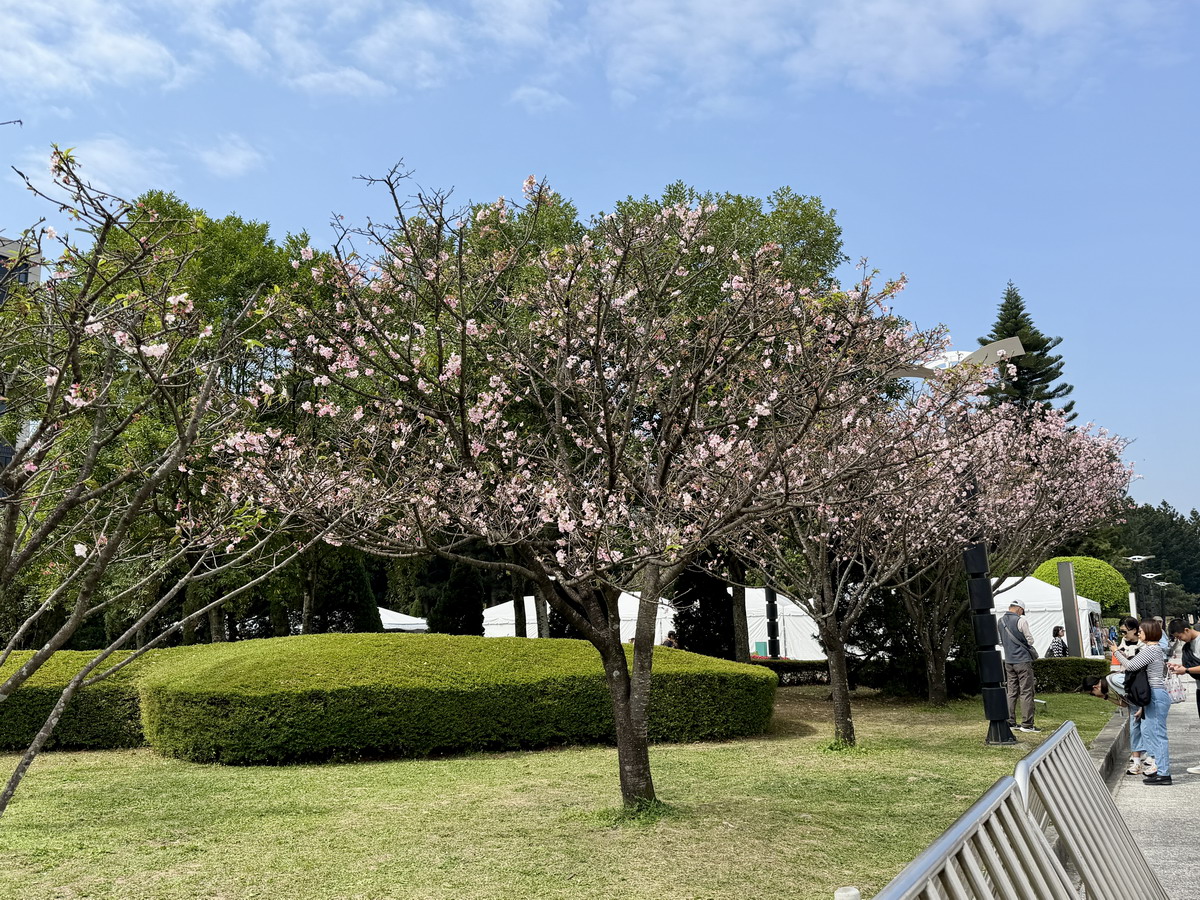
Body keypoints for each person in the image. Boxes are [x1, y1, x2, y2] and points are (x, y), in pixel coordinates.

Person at [1113, 619, 1172, 785]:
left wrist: (1116, 652)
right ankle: (1160, 769)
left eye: (1141, 631)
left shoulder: (1151, 649)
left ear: (1149, 632)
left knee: (1158, 735)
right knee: (1153, 733)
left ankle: (1164, 773)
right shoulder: (1154, 649)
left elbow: (1131, 666)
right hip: (1155, 694)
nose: (1139, 634)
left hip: (1155, 694)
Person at [998, 600, 1039, 733]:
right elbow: (1030, 640)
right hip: (1022, 660)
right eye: (1022, 611)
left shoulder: (1000, 621)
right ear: (1020, 609)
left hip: (1008, 660)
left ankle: (1010, 721)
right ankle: (1027, 724)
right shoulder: (1021, 621)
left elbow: (1000, 641)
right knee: (1026, 691)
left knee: (1011, 691)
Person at [1166, 619, 1200, 776]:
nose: (1179, 640)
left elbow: (1191, 668)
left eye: (1179, 637)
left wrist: (1186, 670)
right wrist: (1180, 667)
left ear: (1187, 630)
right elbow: (1190, 666)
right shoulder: (1188, 646)